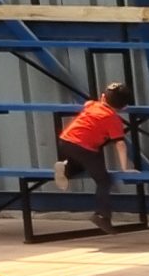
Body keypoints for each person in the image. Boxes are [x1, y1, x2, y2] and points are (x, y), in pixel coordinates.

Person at [51, 81, 135, 230]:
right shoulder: (113, 119)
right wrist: (125, 168)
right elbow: (120, 144)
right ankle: (102, 216)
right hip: (84, 147)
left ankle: (66, 168)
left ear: (103, 97)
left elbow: (88, 103)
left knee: (83, 164)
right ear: (124, 107)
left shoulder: (92, 105)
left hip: (65, 141)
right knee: (103, 180)